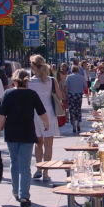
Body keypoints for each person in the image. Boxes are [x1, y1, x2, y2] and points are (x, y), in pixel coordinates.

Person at [0, 69, 48, 207]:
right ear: (27, 81)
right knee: (25, 166)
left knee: (14, 163)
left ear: (14, 81)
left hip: (11, 133)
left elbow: (1, 116)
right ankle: (24, 195)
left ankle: (15, 191)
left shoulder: (7, 94)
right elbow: (42, 112)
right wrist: (46, 124)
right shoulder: (32, 94)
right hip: (27, 133)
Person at [28, 55, 63, 184]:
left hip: (35, 114)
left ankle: (39, 168)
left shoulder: (29, 82)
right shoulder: (52, 80)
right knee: (49, 144)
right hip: (49, 114)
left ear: (32, 67)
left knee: (38, 143)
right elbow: (60, 96)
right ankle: (46, 172)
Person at [64, 64, 87, 134]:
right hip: (79, 95)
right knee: (78, 109)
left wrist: (66, 96)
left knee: (72, 111)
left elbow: (66, 87)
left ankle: (73, 125)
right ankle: (78, 124)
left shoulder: (68, 77)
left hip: (71, 95)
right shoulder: (82, 77)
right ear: (78, 70)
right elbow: (85, 86)